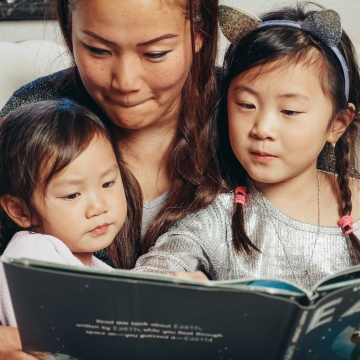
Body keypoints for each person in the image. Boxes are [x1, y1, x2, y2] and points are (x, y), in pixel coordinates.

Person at [0, 0, 223, 357]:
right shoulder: (32, 121)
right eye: (98, 50)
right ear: (70, 29)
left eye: (155, 53)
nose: (126, 82)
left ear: (199, 34)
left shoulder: (254, 106)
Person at [135, 3, 360, 290]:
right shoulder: (216, 218)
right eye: (246, 105)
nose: (262, 129)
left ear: (337, 124)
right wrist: (171, 282)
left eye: (289, 111)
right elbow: (154, 271)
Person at [0, 99, 142, 327]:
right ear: (21, 210)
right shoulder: (30, 253)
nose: (98, 207)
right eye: (72, 195)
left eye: (107, 183)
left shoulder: (94, 266)